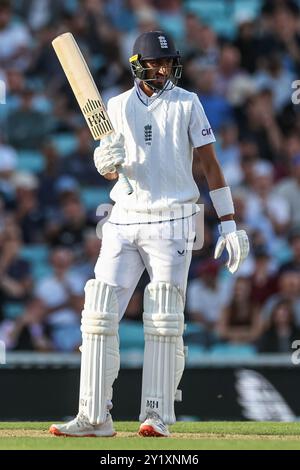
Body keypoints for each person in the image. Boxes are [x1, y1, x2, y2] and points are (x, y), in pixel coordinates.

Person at [50, 31, 249, 438]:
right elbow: (112, 168)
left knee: (163, 316)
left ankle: (156, 414)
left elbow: (210, 165)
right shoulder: (117, 106)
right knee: (99, 311)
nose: (163, 70)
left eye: (168, 62)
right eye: (156, 63)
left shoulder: (187, 103)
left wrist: (228, 222)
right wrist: (102, 160)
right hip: (123, 217)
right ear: (138, 64)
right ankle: (93, 416)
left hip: (174, 219)